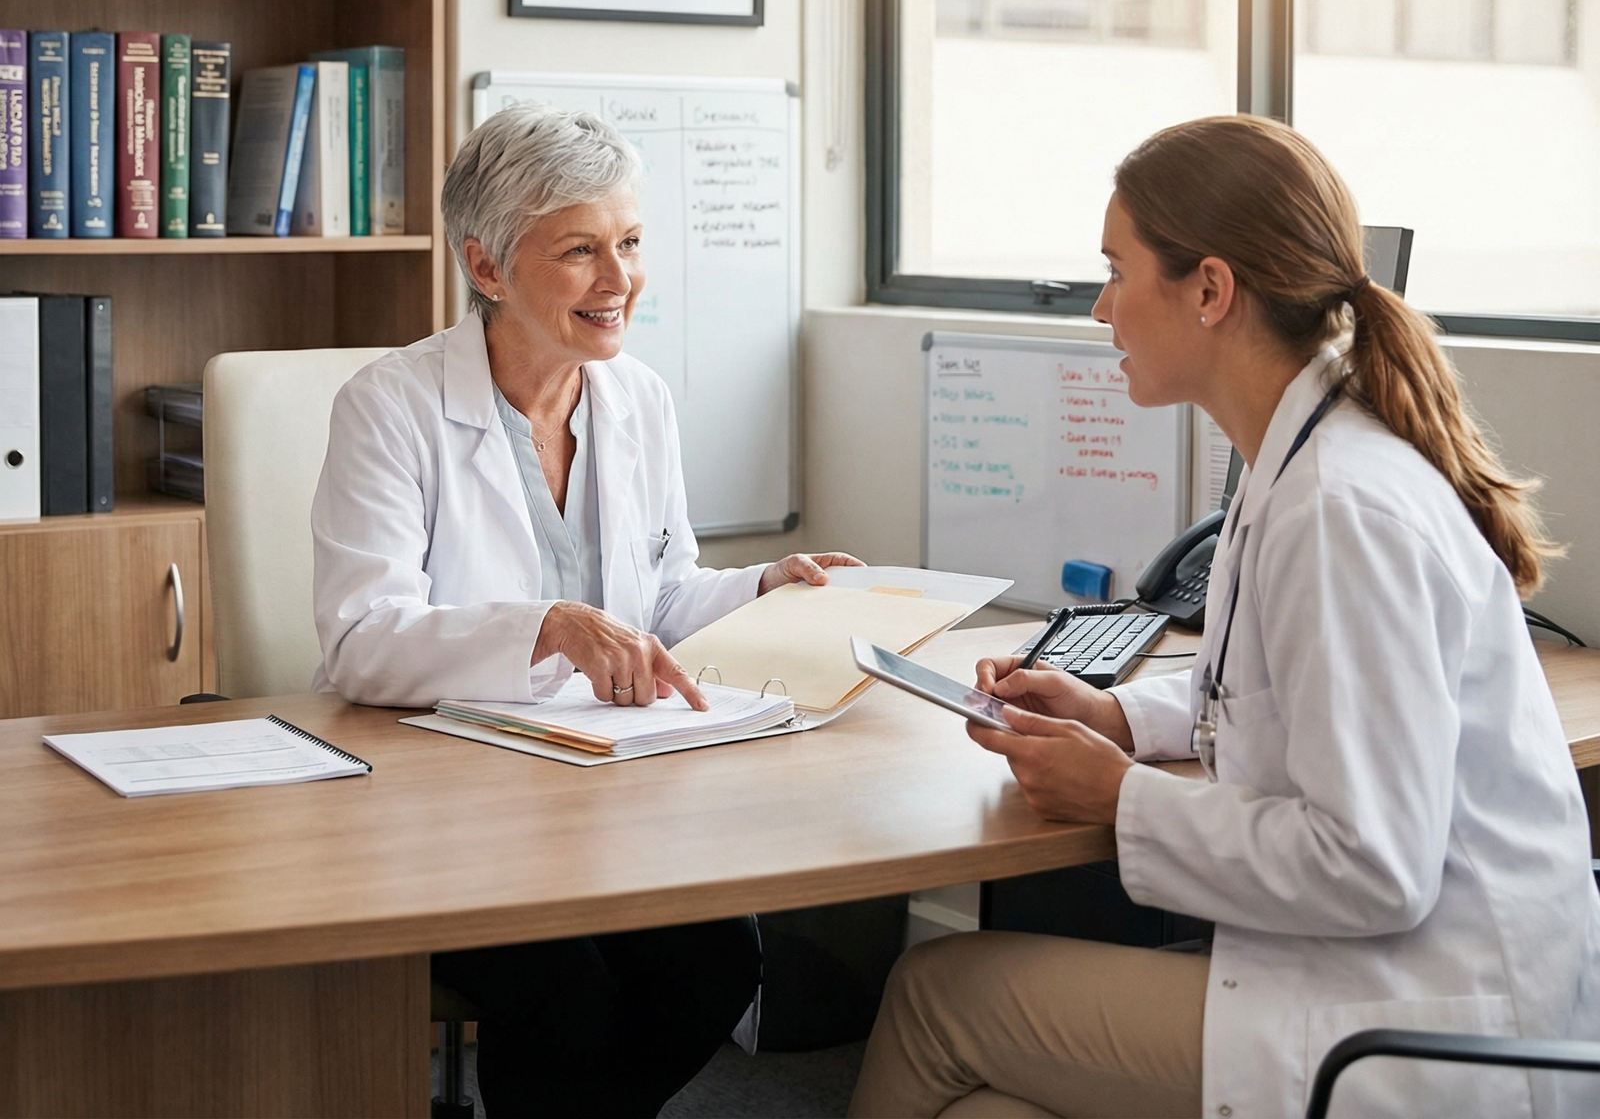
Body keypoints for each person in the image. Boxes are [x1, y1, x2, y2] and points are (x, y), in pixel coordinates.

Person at [850, 116, 1600, 1119]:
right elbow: (1277, 689)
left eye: (1115, 271)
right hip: (1389, 983)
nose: (1099, 308)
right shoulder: (1301, 456)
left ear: (1209, 289)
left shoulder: (1339, 507)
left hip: (1419, 1024)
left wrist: (1119, 794)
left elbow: (1372, 867)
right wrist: (1121, 718)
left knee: (935, 1001)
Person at [310, 101, 862, 1118]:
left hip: (601, 790)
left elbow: (656, 598)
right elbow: (360, 643)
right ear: (486, 267)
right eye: (580, 252)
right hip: (441, 806)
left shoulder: (635, 398)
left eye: (631, 244)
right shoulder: (389, 406)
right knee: (561, 995)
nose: (620, 282)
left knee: (716, 963)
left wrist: (758, 590)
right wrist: (544, 625)